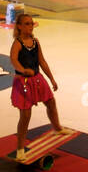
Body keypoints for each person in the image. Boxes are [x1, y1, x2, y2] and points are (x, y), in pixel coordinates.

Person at [8, 13, 71, 161]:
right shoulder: (17, 43)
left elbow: (42, 61)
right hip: (23, 82)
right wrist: (23, 70)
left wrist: (51, 78)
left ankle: (57, 128)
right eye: (26, 24)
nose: (30, 26)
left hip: (37, 79)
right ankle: (20, 149)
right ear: (19, 26)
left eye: (31, 23)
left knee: (51, 102)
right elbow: (13, 60)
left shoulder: (35, 41)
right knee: (26, 115)